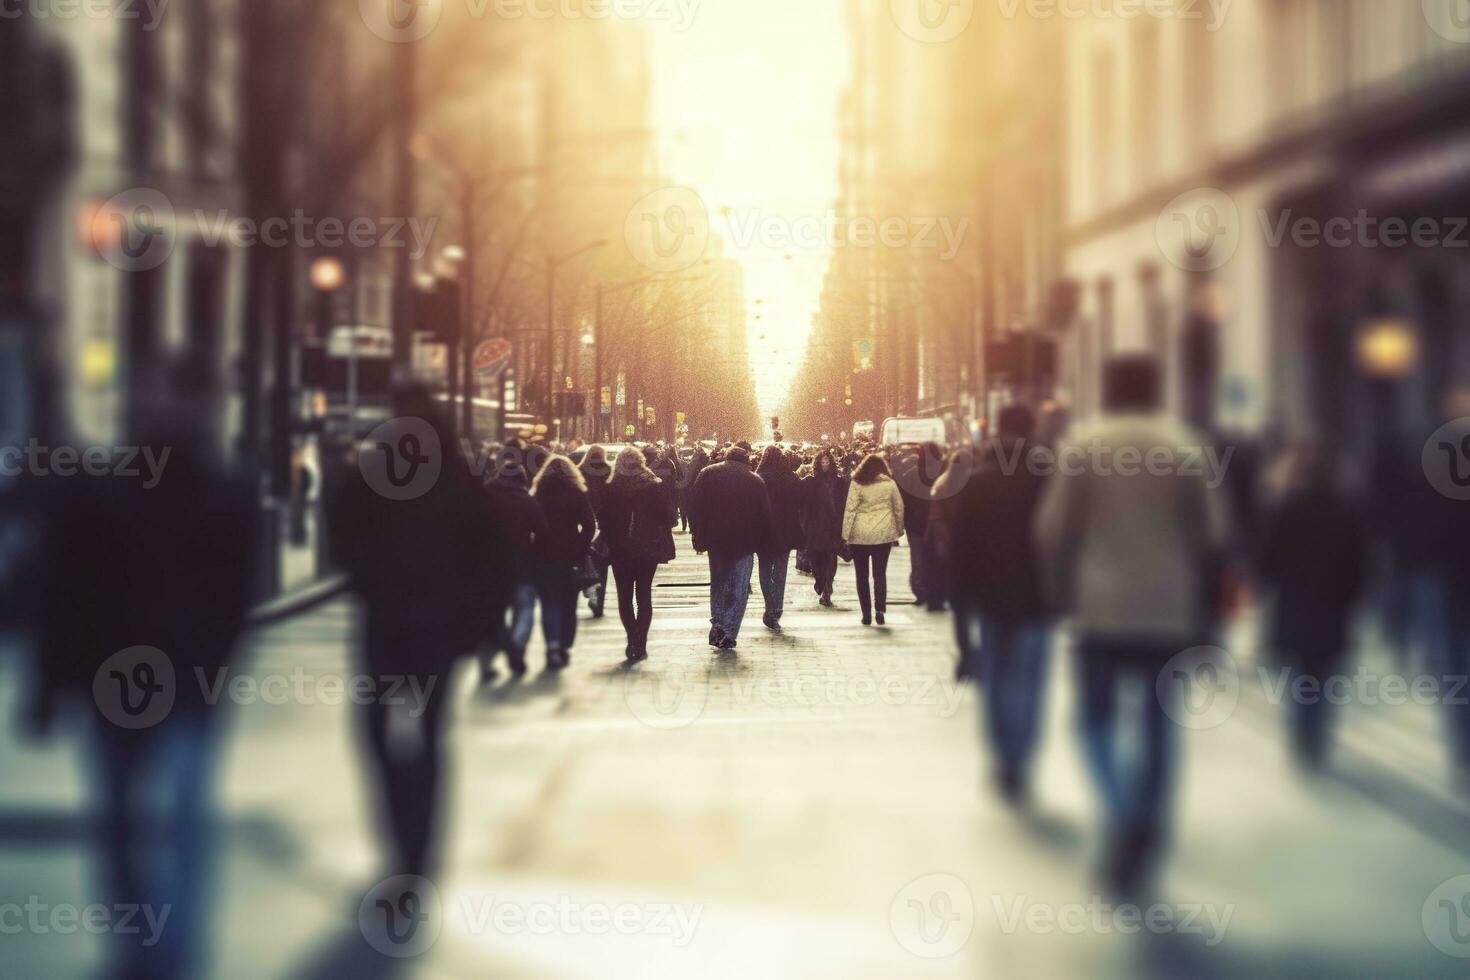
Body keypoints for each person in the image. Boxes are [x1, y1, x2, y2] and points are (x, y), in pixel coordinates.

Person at [29, 365, 260, 979]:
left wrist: (51, 684)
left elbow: (61, 593)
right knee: (149, 819)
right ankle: (154, 944)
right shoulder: (217, 494)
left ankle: (158, 946)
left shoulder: (106, 490)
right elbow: (61, 593)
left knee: (143, 817)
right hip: (158, 679)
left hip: (154, 679)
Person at [1036, 355, 1229, 892]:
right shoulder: (1186, 446)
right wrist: (1209, 616)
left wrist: (1060, 592)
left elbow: (1052, 531)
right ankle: (1150, 821)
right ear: (1155, 390)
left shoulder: (1083, 446)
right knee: (1160, 726)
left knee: (1093, 720)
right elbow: (1214, 538)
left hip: (1100, 609)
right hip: (1170, 611)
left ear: (1109, 391)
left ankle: (1121, 812)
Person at [947, 405, 1052, 802]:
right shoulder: (1047, 478)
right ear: (1032, 429)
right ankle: (1019, 757)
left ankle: (1003, 755)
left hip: (989, 599)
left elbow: (960, 554)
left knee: (994, 678)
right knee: (1027, 682)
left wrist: (960, 623)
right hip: (1036, 598)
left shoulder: (976, 483)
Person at [1257, 443, 1369, 769]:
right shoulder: (1348, 511)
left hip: (1295, 605)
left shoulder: (1288, 508)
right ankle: (1317, 734)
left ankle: (1302, 735)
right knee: (1325, 675)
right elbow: (1360, 565)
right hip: (1333, 607)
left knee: (1300, 674)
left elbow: (1267, 562)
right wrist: (1352, 597)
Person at [688, 442, 773, 649]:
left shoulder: (708, 474)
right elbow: (765, 516)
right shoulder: (755, 481)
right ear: (746, 462)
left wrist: (698, 535)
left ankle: (717, 622)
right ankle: (729, 629)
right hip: (745, 542)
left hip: (716, 541)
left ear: (726, 457)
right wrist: (763, 543)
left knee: (718, 584)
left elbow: (694, 507)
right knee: (739, 588)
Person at [600, 447, 677, 661]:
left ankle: (632, 637)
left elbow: (603, 521)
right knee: (644, 595)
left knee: (624, 597)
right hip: (647, 548)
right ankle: (640, 642)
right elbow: (667, 517)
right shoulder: (652, 486)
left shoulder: (612, 488)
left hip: (620, 549)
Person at [482, 442, 547, 680]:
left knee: (492, 613)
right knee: (525, 607)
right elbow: (542, 531)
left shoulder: (485, 497)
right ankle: (517, 644)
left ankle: (486, 664)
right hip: (521, 562)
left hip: (489, 563)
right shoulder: (527, 501)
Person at [531, 455, 597, 671]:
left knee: (549, 602)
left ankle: (551, 644)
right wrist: (581, 546)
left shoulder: (539, 493)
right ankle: (565, 645)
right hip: (570, 553)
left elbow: (530, 522)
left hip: (543, 553)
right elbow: (589, 524)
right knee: (569, 603)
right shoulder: (576, 492)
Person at [842, 454, 905, 627]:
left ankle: (866, 613)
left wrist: (845, 535)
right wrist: (899, 530)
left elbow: (850, 509)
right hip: (883, 535)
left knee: (861, 576)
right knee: (879, 574)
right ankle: (879, 610)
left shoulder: (856, 483)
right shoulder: (889, 484)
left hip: (859, 535)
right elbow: (899, 507)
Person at [756, 444, 806, 630]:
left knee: (764, 571)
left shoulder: (760, 478)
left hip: (765, 531)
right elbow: (801, 501)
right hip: (786, 530)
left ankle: (770, 605)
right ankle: (777, 608)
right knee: (780, 572)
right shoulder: (791, 478)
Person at [894, 443, 947, 611]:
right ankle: (936, 590)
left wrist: (903, 521)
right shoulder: (943, 475)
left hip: (915, 525)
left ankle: (920, 590)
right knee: (937, 557)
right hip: (936, 523)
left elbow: (903, 502)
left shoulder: (910, 475)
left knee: (917, 558)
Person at [801, 449, 848, 608]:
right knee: (816, 560)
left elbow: (844, 504)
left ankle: (827, 590)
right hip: (815, 525)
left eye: (827, 461)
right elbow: (805, 505)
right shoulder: (811, 481)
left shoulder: (839, 482)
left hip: (833, 526)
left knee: (830, 559)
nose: (825, 464)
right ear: (818, 463)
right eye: (822, 462)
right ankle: (820, 582)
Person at [579, 445, 614, 619]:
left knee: (585, 562)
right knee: (602, 564)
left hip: (584, 523)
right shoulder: (609, 472)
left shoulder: (579, 472)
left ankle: (589, 591)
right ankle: (598, 601)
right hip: (604, 524)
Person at [682, 444, 709, 533]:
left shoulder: (695, 461)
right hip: (704, 489)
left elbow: (688, 476)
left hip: (692, 488)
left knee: (691, 508)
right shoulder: (708, 460)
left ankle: (693, 526)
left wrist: (681, 485)